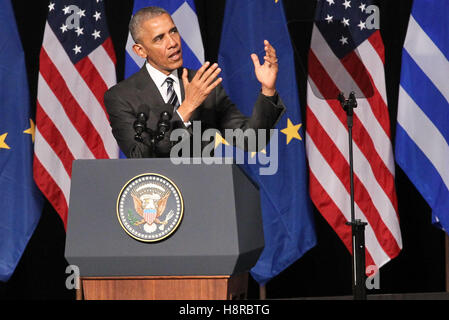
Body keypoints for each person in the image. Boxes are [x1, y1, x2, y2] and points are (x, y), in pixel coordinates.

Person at [104, 6, 286, 158]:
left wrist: (267, 90)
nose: (172, 42)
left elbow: (252, 140)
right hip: (157, 195)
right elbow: (139, 156)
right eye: (159, 38)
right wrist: (187, 108)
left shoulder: (203, 84)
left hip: (204, 193)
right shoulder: (121, 97)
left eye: (173, 31)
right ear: (140, 51)